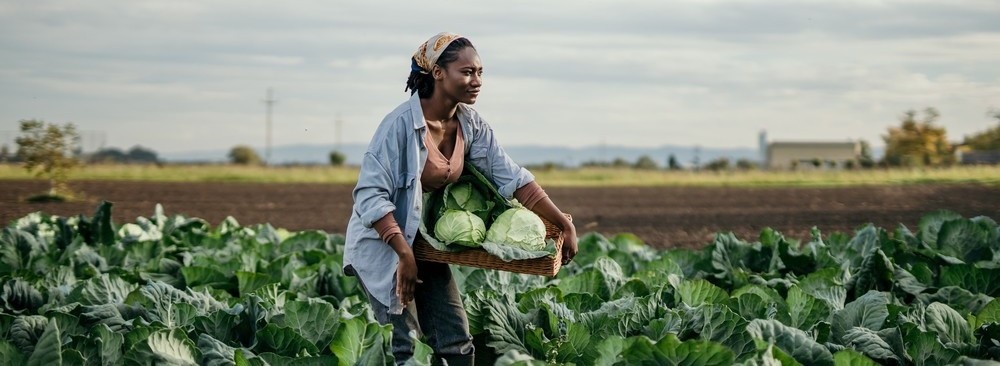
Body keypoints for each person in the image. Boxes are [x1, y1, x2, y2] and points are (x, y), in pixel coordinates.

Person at [343, 32, 578, 365]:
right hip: (386, 246)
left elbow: (513, 178)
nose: (477, 80)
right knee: (403, 349)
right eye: (467, 72)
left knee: (456, 343)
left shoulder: (470, 125)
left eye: (480, 72)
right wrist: (403, 254)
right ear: (438, 73)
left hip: (424, 246)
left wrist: (561, 223)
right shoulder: (398, 126)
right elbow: (369, 196)